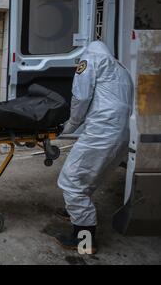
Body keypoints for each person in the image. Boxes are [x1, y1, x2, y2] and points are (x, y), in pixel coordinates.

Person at [54, 41, 133, 254]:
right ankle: (76, 212)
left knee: (71, 181)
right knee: (87, 178)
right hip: (121, 135)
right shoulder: (122, 69)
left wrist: (70, 125)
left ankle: (84, 241)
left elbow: (81, 96)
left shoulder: (92, 59)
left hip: (101, 133)